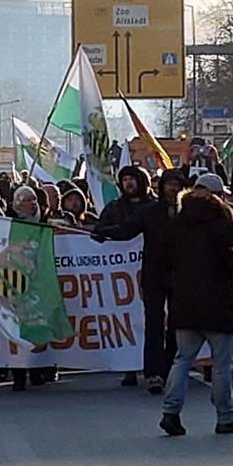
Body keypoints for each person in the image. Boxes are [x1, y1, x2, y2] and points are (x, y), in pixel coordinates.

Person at [153, 172, 233, 435]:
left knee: (182, 360)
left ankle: (170, 412)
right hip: (217, 304)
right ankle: (225, 417)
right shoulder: (223, 226)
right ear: (218, 196)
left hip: (185, 303)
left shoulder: (175, 224)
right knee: (222, 364)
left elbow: (162, 262)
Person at [93, 165, 169, 392]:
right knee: (125, 319)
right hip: (121, 278)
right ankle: (130, 366)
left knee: (157, 323)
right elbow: (103, 229)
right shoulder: (114, 208)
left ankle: (161, 369)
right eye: (125, 179)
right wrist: (102, 234)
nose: (128, 184)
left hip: (155, 273)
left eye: (132, 179)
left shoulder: (155, 209)